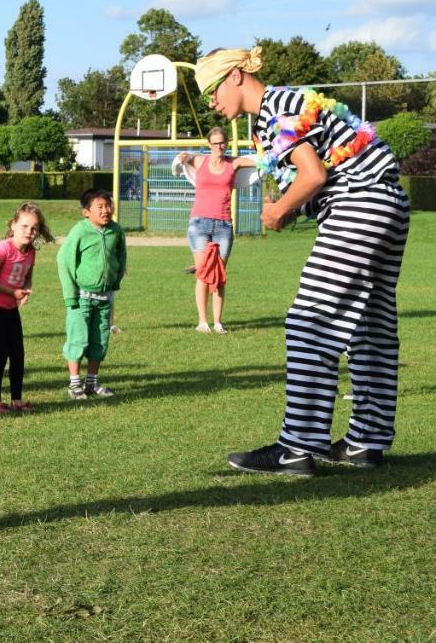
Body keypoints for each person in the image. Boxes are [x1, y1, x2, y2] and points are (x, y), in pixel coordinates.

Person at [197, 46, 410, 475]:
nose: (212, 103)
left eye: (213, 91)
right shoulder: (289, 103)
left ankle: (296, 447)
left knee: (309, 321)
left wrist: (280, 210)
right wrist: (293, 203)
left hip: (357, 204)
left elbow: (314, 176)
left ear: (236, 76)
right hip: (389, 204)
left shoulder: (276, 108)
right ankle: (365, 443)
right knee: (371, 324)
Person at [175, 127, 257, 334]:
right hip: (199, 224)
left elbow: (260, 161)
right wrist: (182, 158)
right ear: (209, 144)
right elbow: (179, 162)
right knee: (203, 274)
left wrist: (269, 149)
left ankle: (218, 322)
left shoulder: (234, 163)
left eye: (223, 143)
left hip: (223, 225)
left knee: (219, 275)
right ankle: (203, 322)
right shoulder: (200, 161)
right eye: (215, 143)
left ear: (227, 143)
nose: (219, 147)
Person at [0, 203, 52, 414]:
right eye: (24, 226)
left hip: (10, 309)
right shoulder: (4, 248)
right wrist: (12, 293)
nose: (29, 232)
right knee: (1, 353)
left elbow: (28, 276)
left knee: (18, 354)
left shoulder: (30, 252)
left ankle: (17, 400)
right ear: (13, 225)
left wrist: (26, 289)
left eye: (34, 228)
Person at [56, 189, 126, 401]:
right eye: (100, 207)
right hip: (81, 298)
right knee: (78, 339)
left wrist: (115, 282)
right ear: (86, 212)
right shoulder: (80, 231)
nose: (107, 210)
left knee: (100, 340)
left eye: (109, 205)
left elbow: (121, 257)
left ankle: (91, 382)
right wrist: (70, 296)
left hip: (105, 298)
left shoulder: (116, 231)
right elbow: (64, 261)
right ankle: (74, 383)